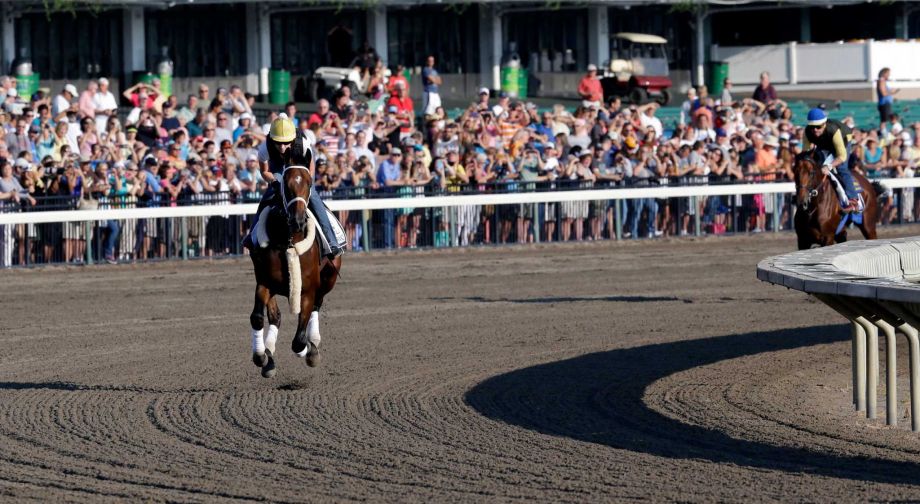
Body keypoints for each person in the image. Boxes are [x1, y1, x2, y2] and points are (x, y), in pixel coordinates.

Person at [246, 116, 343, 258]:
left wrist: (306, 184)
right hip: (278, 169)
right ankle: (251, 239)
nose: (282, 147)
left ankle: (332, 241)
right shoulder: (264, 148)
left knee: (315, 199)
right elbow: (264, 171)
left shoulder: (303, 144)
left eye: (286, 143)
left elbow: (310, 170)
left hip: (300, 167)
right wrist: (274, 181)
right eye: (278, 143)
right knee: (266, 199)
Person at [803, 107, 860, 212]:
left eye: (818, 127)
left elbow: (842, 156)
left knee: (841, 168)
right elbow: (806, 153)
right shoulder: (807, 132)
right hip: (825, 143)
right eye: (812, 127)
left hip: (843, 140)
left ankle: (853, 199)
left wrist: (829, 166)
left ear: (824, 124)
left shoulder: (833, 130)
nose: (815, 130)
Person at [877, 67, 899, 132]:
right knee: (884, 121)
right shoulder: (882, 80)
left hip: (886, 103)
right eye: (888, 73)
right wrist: (892, 92)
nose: (889, 75)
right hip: (884, 103)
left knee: (886, 120)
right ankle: (883, 134)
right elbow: (883, 93)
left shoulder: (884, 81)